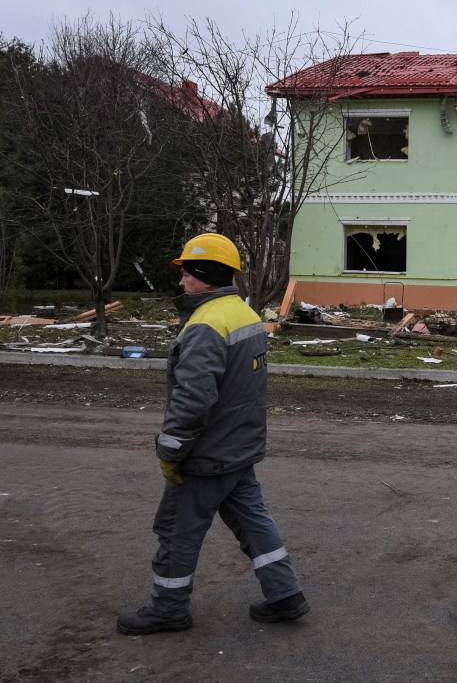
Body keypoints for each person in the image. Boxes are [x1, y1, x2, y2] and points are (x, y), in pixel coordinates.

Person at [117, 233, 309, 635]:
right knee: (254, 523)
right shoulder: (243, 313)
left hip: (207, 455)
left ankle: (169, 609)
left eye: (187, 273)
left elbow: (192, 400)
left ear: (204, 276)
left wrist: (170, 452)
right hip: (240, 448)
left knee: (177, 531)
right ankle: (286, 594)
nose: (181, 281)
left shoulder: (206, 324)